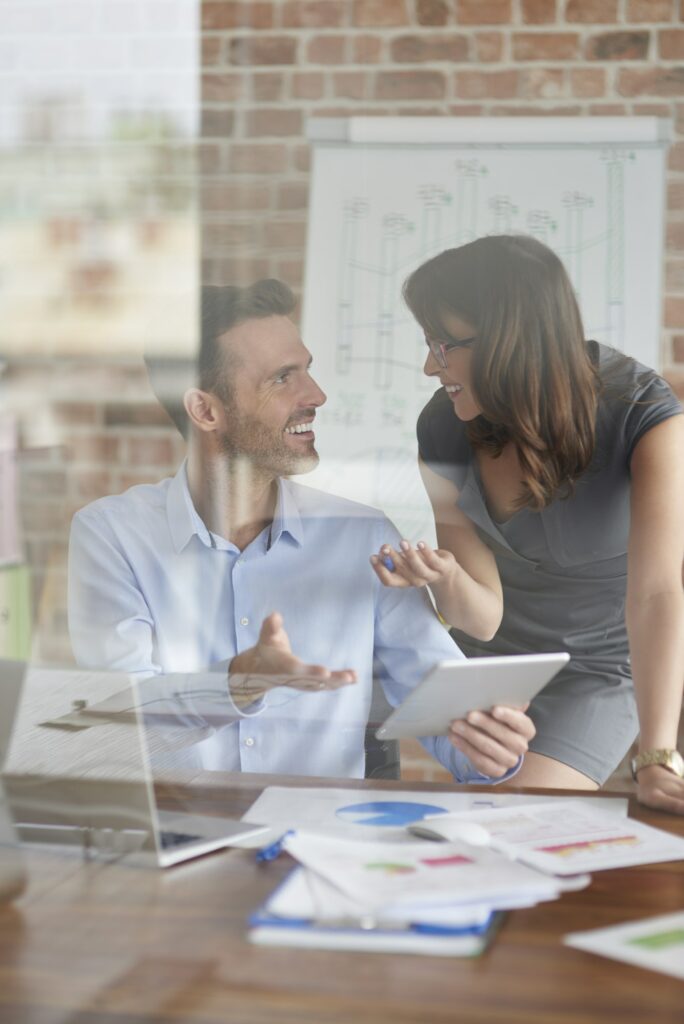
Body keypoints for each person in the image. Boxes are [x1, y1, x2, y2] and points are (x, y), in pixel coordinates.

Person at [68, 279, 534, 782]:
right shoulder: (112, 536)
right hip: (177, 841)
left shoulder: (362, 537)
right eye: (282, 378)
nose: (316, 395)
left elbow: (444, 711)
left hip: (322, 843)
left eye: (307, 369)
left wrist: (489, 746)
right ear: (205, 410)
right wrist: (235, 684)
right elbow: (122, 715)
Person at [371, 234, 684, 815]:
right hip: (486, 666)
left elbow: (658, 594)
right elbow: (482, 619)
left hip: (595, 666)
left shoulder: (645, 419)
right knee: (475, 828)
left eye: (442, 346)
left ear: (506, 340)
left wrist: (658, 752)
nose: (427, 366)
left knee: (512, 817)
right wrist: (443, 579)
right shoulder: (444, 427)